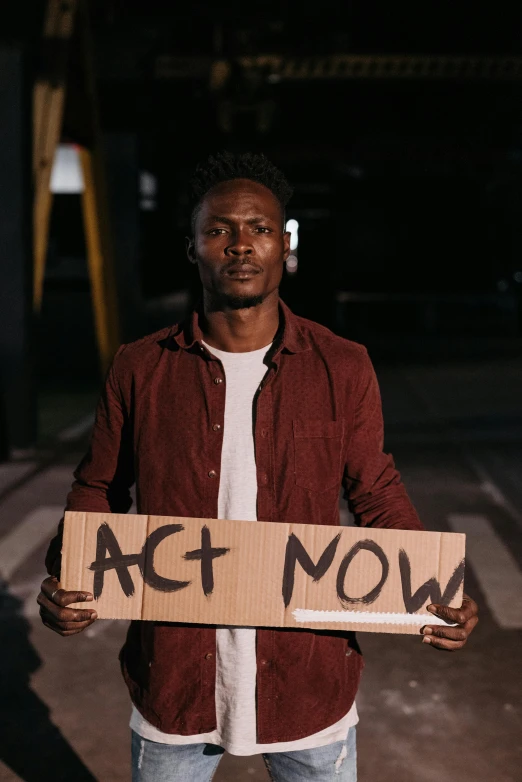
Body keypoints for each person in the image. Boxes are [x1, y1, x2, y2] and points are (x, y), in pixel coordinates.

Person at [38, 151, 479, 781]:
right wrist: (68, 577)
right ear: (192, 249)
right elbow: (99, 487)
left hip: (307, 684)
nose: (240, 245)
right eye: (218, 230)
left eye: (260, 229)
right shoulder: (141, 368)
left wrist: (434, 588)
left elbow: (375, 489)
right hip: (176, 685)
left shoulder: (343, 364)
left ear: (284, 246)